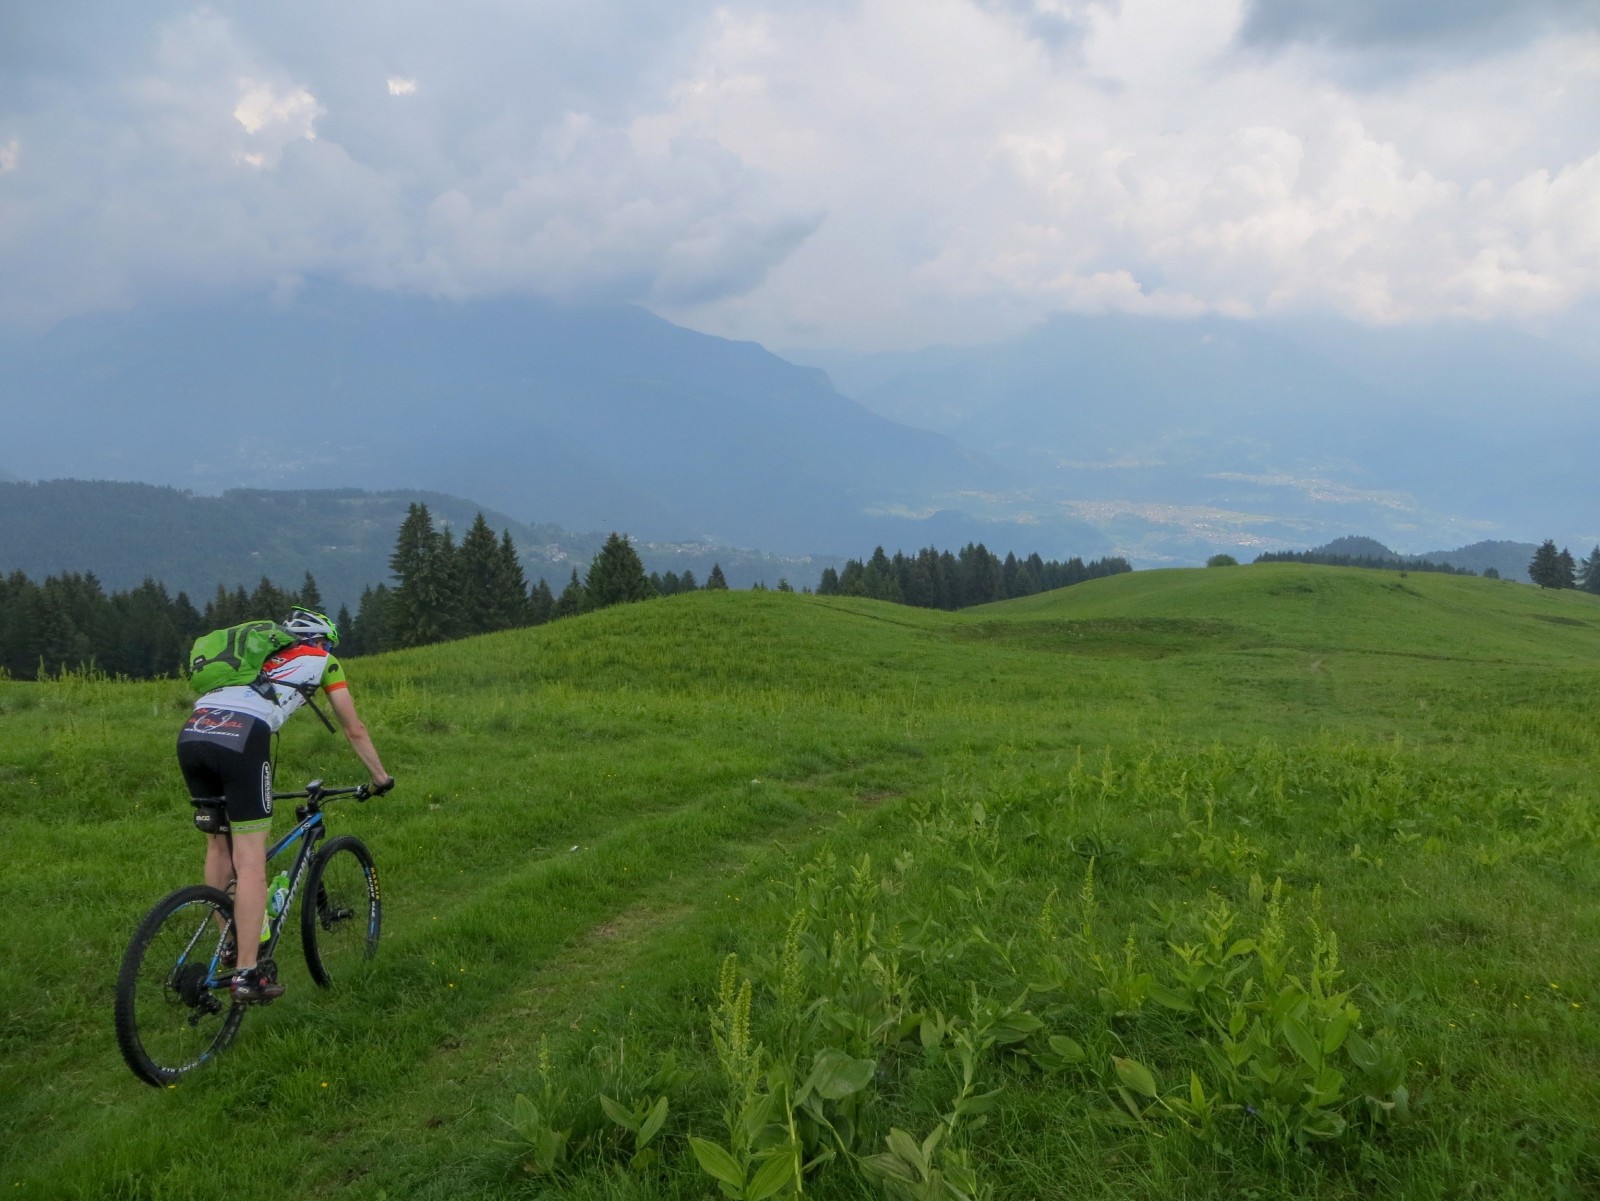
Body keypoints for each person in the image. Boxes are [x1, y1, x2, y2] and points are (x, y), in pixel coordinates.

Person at [176, 607, 393, 1002]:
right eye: (328, 644)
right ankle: (247, 975)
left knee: (218, 846)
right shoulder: (322, 660)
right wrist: (380, 778)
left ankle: (228, 940)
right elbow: (354, 729)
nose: (328, 651)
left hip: (193, 734)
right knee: (250, 859)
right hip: (242, 736)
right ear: (321, 641)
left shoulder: (250, 663)